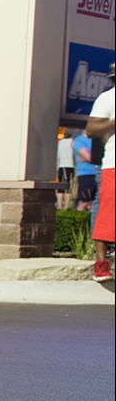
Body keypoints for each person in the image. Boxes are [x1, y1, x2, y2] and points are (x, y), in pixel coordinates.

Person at [85, 63, 114, 282]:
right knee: (107, 213)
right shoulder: (108, 98)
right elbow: (91, 129)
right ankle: (101, 264)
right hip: (114, 164)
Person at [56, 128, 75, 210]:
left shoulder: (61, 142)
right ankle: (66, 206)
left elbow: (58, 156)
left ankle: (59, 205)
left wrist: (57, 167)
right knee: (69, 187)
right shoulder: (73, 142)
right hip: (71, 165)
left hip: (61, 165)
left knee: (61, 186)